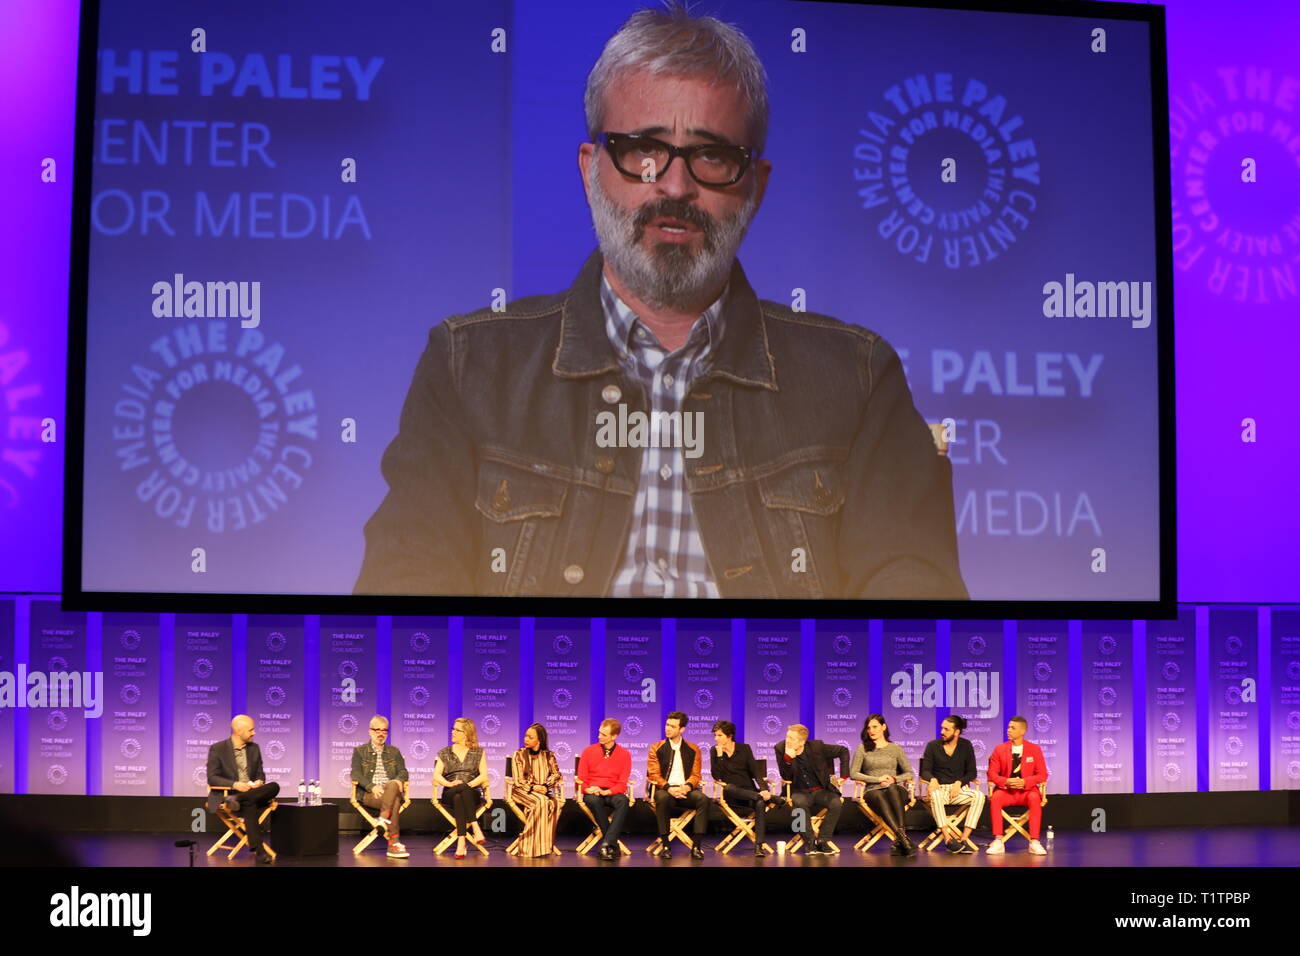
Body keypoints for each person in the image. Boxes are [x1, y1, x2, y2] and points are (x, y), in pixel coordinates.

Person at [354, 2, 967, 601]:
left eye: (712, 156)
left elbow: (914, 611)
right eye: (643, 151)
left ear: (756, 186)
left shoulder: (858, 379)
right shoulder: (469, 366)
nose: (675, 185)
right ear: (591, 170)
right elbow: (407, 596)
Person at [206, 715, 279, 864]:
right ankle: (260, 852)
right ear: (239, 731)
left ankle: (240, 799)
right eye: (251, 730)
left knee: (274, 786)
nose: (254, 733)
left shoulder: (254, 748)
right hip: (230, 793)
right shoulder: (218, 749)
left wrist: (259, 781)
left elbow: (260, 773)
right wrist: (235, 785)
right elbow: (212, 778)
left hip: (251, 793)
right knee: (249, 804)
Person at [774, 724, 850, 854]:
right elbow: (785, 776)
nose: (788, 740)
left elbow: (843, 750)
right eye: (787, 736)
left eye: (792, 738)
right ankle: (809, 842)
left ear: (802, 741)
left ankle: (823, 841)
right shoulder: (780, 748)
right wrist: (787, 760)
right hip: (798, 790)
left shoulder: (816, 747)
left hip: (820, 790)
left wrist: (844, 774)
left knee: (836, 802)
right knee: (799, 804)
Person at [849, 714, 916, 856]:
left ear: (883, 727)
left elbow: (909, 773)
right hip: (873, 790)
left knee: (892, 789)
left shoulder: (895, 748)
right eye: (868, 728)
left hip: (896, 789)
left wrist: (894, 779)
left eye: (875, 727)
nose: (871, 731)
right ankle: (903, 838)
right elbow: (854, 774)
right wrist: (878, 779)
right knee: (880, 795)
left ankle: (901, 838)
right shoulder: (862, 749)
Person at [647, 711, 710, 858]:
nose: (667, 728)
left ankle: (696, 846)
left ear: (681, 729)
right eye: (667, 725)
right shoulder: (656, 747)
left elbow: (696, 775)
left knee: (703, 800)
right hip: (664, 789)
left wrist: (687, 787)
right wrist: (670, 788)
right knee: (662, 799)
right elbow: (654, 775)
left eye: (672, 726)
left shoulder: (693, 749)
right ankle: (666, 845)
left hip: (685, 789)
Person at [919, 714, 985, 853]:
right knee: (935, 795)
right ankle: (948, 839)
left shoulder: (966, 745)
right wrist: (933, 779)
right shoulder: (932, 746)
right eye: (942, 728)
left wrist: (959, 782)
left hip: (958, 790)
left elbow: (971, 773)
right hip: (940, 789)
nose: (942, 732)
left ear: (957, 732)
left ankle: (963, 839)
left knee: (979, 796)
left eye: (946, 729)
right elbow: (925, 771)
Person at [710, 719, 774, 856]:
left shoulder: (744, 748)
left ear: (729, 735)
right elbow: (717, 776)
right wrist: (720, 756)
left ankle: (759, 846)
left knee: (760, 802)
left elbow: (756, 772)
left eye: (719, 735)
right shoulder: (714, 751)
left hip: (749, 794)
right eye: (715, 735)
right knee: (728, 788)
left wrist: (764, 790)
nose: (716, 738)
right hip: (732, 796)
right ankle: (765, 797)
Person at [986, 716, 1048, 855]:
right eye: (1008, 727)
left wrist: (1025, 782)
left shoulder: (1034, 749)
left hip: (1027, 791)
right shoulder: (1000, 749)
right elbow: (991, 774)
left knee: (1035, 798)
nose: (1008, 730)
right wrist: (1006, 781)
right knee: (995, 798)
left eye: (1012, 728)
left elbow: (1042, 775)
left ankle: (1034, 842)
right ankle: (998, 840)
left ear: (1023, 731)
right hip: (1006, 791)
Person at [350, 715, 410, 858]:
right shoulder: (359, 751)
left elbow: (403, 772)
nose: (381, 733)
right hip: (370, 794)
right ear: (370, 731)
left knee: (392, 785)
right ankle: (394, 844)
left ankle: (383, 818)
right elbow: (356, 774)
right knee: (395, 801)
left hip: (390, 790)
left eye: (384, 730)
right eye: (377, 730)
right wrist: (372, 787)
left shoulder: (394, 751)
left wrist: (398, 781)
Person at [433, 717, 489, 858]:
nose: (453, 732)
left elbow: (483, 776)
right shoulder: (444, 752)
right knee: (456, 794)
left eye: (457, 730)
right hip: (449, 792)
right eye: (453, 729)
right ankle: (475, 827)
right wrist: (449, 784)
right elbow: (436, 776)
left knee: (461, 795)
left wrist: (467, 785)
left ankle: (461, 840)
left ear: (466, 733)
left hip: (472, 792)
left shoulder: (478, 752)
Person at [577, 718, 633, 860]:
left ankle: (606, 843)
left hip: (611, 791)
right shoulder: (588, 751)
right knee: (594, 801)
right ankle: (612, 845)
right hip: (592, 791)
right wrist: (587, 789)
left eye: (604, 734)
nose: (599, 736)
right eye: (599, 733)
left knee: (623, 801)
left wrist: (607, 791)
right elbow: (581, 779)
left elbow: (622, 783)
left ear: (614, 736)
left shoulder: (625, 754)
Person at [509, 723, 564, 857]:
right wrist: (534, 787)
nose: (526, 739)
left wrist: (545, 786)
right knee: (541, 802)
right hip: (522, 791)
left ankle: (542, 846)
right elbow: (518, 780)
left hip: (542, 792)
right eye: (525, 736)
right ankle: (528, 846)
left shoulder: (549, 756)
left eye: (530, 737)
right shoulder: (519, 755)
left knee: (553, 803)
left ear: (539, 740)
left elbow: (557, 774)